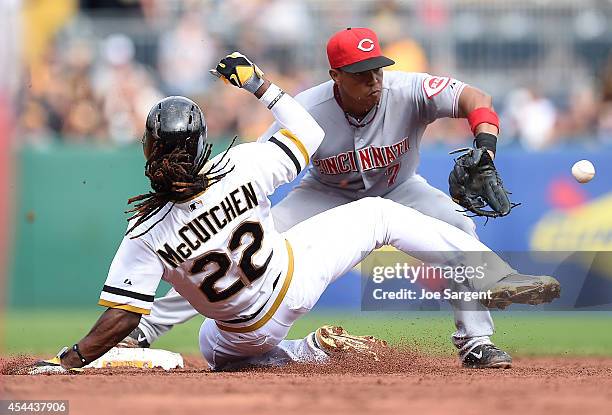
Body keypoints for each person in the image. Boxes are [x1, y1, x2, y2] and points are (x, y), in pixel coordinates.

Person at [30, 51, 559, 374]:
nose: (374, 78)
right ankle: (309, 349)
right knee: (377, 216)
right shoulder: (238, 166)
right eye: (361, 71)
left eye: (377, 70)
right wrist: (261, 84)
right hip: (296, 266)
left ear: (147, 150)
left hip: (234, 332)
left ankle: (471, 338)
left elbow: (121, 309)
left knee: (214, 347)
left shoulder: (142, 229)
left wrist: (69, 359)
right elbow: (304, 134)